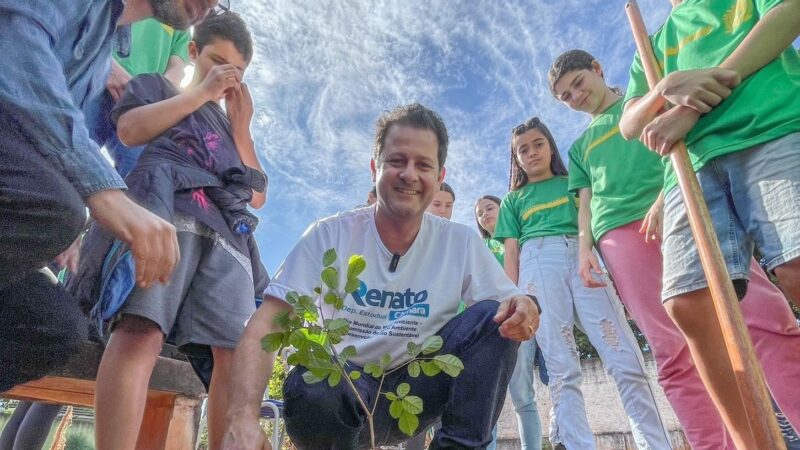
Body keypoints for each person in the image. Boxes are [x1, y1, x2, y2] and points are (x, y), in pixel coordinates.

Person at [221, 103, 540, 450]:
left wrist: (526, 309)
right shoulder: (329, 235)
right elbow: (267, 324)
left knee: (495, 317)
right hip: (342, 390)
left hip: (419, 391)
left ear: (440, 176)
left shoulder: (460, 241)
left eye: (423, 165)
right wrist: (242, 419)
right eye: (396, 161)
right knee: (312, 383)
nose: (409, 174)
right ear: (374, 167)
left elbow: (513, 305)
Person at [550, 48, 800, 450]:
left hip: (688, 201)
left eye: (578, 83)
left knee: (761, 313)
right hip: (619, 234)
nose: (575, 96)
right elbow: (585, 202)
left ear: (597, 69)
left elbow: (686, 140)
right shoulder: (580, 148)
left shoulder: (651, 98)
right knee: (671, 348)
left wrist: (669, 196)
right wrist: (585, 250)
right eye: (565, 96)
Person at [69, 11, 267, 450]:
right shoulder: (156, 87)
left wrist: (242, 127)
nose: (223, 76)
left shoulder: (233, 130)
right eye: (215, 61)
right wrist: (202, 92)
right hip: (164, 213)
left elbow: (256, 195)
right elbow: (130, 128)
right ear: (193, 52)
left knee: (231, 353)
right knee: (142, 328)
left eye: (234, 71)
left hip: (224, 238)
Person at [0, 0, 213, 394]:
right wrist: (100, 193)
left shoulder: (98, 56)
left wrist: (71, 227)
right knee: (55, 210)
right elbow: (14, 44)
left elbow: (59, 152)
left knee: (54, 325)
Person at [619, 0, 800, 447]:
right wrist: (667, 87)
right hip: (691, 165)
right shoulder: (656, 42)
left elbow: (790, 13)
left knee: (797, 266)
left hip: (769, 128)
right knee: (689, 304)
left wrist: (694, 105)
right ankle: (753, 443)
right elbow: (629, 123)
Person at [493, 117, 671, 450]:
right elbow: (512, 254)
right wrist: (511, 299)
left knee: (624, 357)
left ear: (550, 145)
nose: (531, 153)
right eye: (522, 150)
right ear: (515, 158)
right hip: (537, 265)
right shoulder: (513, 200)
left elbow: (594, 229)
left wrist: (621, 282)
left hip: (583, 258)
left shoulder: (574, 182)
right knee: (562, 368)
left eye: (538, 144)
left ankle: (656, 444)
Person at [476, 195, 546, 450]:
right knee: (487, 402)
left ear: (502, 209)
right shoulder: (478, 248)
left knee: (523, 398)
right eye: (479, 213)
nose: (484, 214)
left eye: (489, 208)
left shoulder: (518, 243)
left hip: (517, 323)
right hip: (486, 326)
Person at [91, 17, 192, 177]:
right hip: (99, 85)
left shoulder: (181, 18)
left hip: (140, 109)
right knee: (61, 156)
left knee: (136, 180)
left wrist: (147, 93)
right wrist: (108, 66)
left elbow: (177, 69)